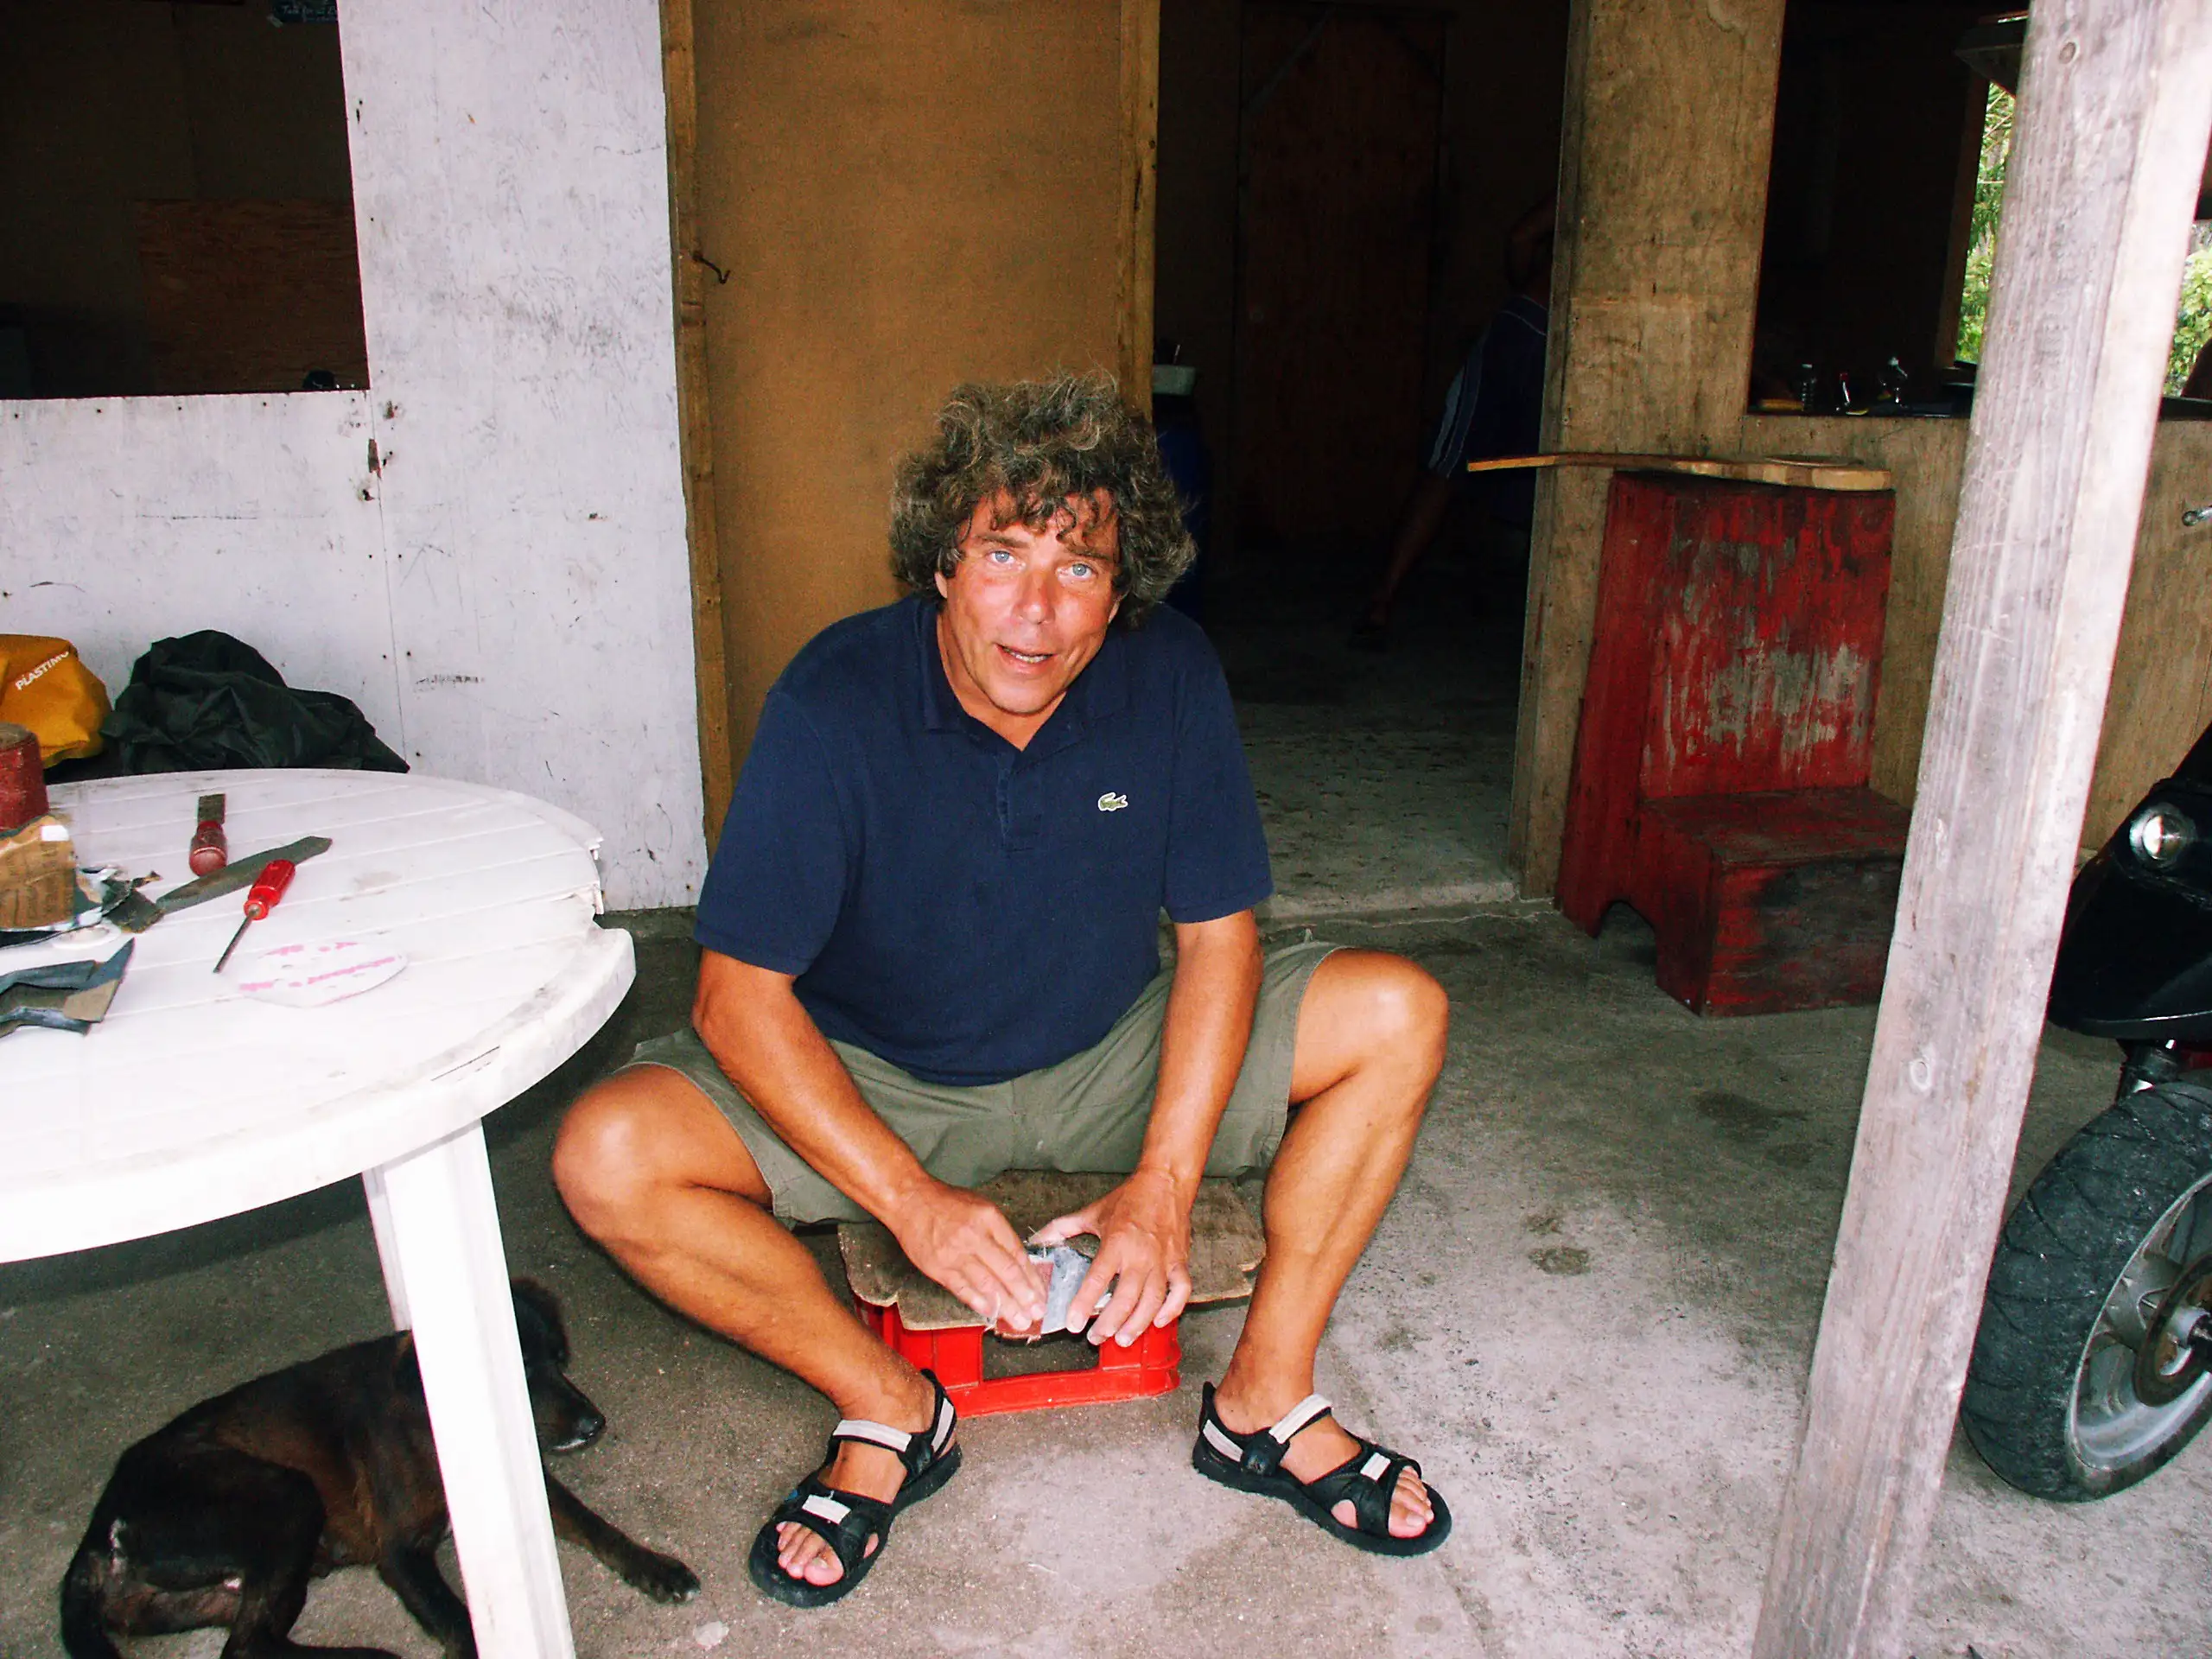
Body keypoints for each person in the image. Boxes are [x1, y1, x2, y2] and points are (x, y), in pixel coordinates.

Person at [553, 373, 1452, 1607]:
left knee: (1399, 1013)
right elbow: (736, 998)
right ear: (941, 564)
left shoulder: (1170, 672)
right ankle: (887, 1408)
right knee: (607, 1155)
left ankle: (1264, 1399)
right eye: (1000, 555)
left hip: (1109, 1054)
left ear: (1120, 593)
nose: (1036, 610)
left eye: (1079, 567)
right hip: (882, 1079)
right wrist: (910, 1202)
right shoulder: (832, 700)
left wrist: (1164, 1184)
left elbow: (1218, 939)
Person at [1355, 200, 1554, 647]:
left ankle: (1384, 597)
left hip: (1527, 322)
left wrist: (1530, 292)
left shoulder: (1586, 191)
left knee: (1450, 465)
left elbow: (1522, 236)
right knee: (1532, 474)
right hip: (1569, 339)